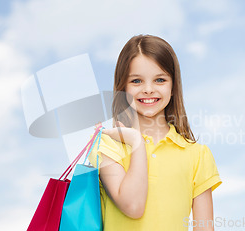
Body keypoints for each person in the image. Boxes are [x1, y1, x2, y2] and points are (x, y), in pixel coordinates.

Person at [88, 34, 222, 230]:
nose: (148, 89)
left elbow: (204, 227)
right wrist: (137, 143)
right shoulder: (107, 146)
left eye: (160, 80)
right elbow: (133, 206)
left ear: (173, 86)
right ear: (122, 88)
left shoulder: (198, 155)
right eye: (136, 81)